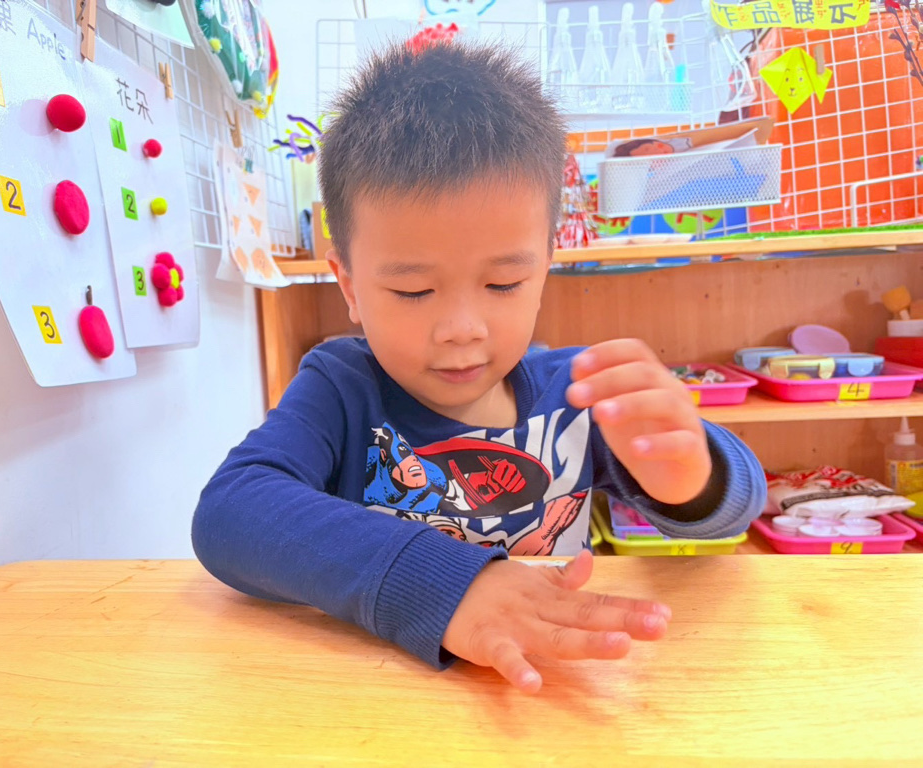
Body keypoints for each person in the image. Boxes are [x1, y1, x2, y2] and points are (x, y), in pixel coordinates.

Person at [192, 39, 766, 693]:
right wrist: (444, 583)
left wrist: (694, 478)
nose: (462, 329)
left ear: (545, 265)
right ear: (348, 284)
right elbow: (231, 513)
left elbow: (736, 510)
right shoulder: (341, 389)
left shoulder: (576, 392)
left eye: (503, 284)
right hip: (378, 695)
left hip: (546, 692)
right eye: (413, 291)